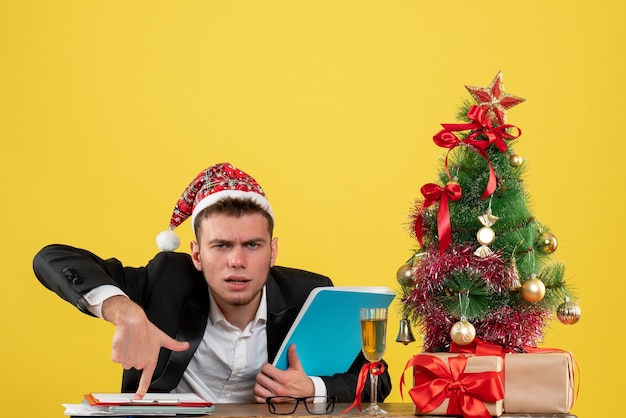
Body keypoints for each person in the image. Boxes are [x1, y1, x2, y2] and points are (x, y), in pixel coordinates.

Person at [33, 162, 392, 404]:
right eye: (221, 246)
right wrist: (123, 311)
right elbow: (51, 258)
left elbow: (378, 378)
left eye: (253, 245)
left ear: (273, 250)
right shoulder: (164, 281)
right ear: (197, 254)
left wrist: (311, 387)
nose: (237, 261)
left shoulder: (309, 296)